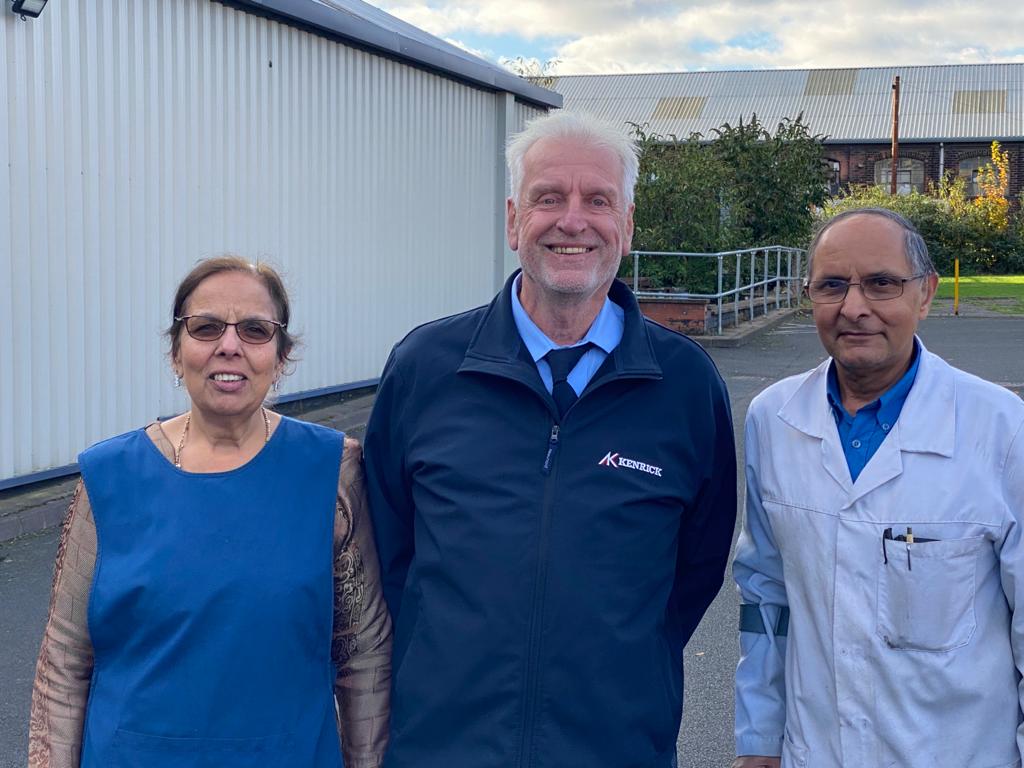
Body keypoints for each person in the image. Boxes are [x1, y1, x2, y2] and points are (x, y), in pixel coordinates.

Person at [362, 111, 737, 768]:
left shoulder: (685, 386)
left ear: (627, 222)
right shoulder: (426, 367)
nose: (573, 220)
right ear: (513, 221)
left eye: (598, 200)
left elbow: (695, 569)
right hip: (443, 748)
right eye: (548, 198)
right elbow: (389, 556)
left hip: (615, 748)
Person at [28, 256, 391, 768]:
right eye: (205, 327)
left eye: (255, 330)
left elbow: (365, 654)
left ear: (281, 356)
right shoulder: (108, 478)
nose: (229, 345)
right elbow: (64, 663)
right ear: (176, 353)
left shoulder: (332, 473)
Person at [732, 208, 1024, 768]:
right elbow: (767, 594)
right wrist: (759, 738)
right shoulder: (774, 420)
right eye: (832, 286)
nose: (854, 307)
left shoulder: (1000, 429)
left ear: (926, 294)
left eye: (882, 283)